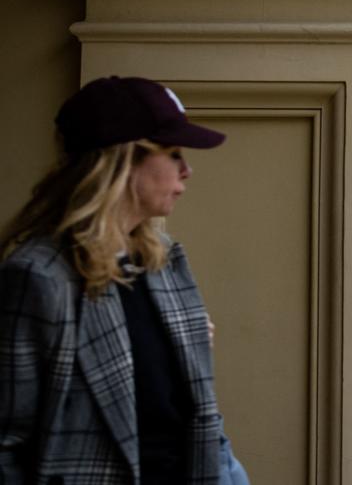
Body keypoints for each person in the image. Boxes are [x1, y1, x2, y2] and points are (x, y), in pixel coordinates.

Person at [0, 76, 249, 485]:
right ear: (122, 161)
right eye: (172, 153)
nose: (187, 170)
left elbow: (197, 415)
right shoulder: (38, 277)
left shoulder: (164, 262)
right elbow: (8, 442)